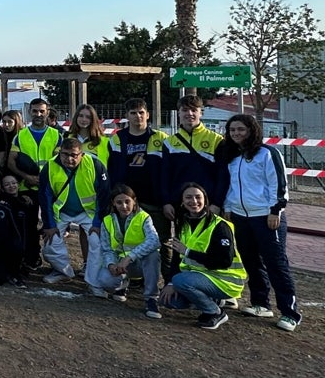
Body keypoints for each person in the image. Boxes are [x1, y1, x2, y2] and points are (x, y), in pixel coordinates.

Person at [218, 113, 302, 331]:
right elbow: (232, 185)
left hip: (266, 217)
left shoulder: (267, 153)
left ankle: (290, 312)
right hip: (240, 217)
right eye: (233, 130)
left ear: (251, 130)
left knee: (276, 263)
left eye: (241, 129)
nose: (236, 133)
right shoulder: (233, 156)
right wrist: (228, 207)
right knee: (251, 261)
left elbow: (279, 184)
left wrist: (276, 210)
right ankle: (260, 303)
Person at [159, 182, 247, 330]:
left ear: (205, 200)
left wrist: (188, 252)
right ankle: (212, 300)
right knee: (168, 300)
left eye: (198, 197)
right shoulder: (183, 224)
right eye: (188, 197)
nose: (194, 202)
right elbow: (176, 258)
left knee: (181, 281)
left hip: (226, 280)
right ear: (182, 201)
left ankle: (215, 312)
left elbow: (224, 261)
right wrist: (170, 284)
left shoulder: (220, 225)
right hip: (201, 277)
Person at [39, 138, 110, 294]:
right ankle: (63, 272)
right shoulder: (49, 166)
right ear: (60, 152)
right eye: (65, 154)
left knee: (97, 242)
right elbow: (45, 197)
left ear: (81, 154)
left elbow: (104, 196)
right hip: (62, 212)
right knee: (50, 243)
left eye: (74, 155)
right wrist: (49, 225)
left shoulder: (95, 165)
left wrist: (97, 223)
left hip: (88, 212)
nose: (69, 159)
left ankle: (93, 281)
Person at [107, 98, 168, 252]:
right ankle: (132, 275)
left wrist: (166, 198)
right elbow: (112, 169)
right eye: (133, 113)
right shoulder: (117, 139)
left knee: (162, 243)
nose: (138, 116)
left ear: (148, 115)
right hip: (127, 202)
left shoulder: (161, 138)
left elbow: (168, 171)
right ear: (127, 115)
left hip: (154, 200)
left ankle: (166, 276)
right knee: (127, 243)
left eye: (141, 112)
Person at [93, 185, 162, 318]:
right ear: (113, 203)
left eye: (127, 202)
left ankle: (151, 299)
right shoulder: (107, 221)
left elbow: (154, 241)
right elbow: (107, 249)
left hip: (141, 264)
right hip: (121, 265)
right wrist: (111, 265)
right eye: (119, 202)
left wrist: (130, 257)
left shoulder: (144, 217)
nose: (124, 206)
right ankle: (122, 285)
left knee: (153, 255)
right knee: (105, 281)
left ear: (134, 201)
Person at [161, 95, 223, 219]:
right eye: (184, 110)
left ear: (201, 113)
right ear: (178, 113)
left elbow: (223, 175)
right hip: (179, 204)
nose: (189, 113)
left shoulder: (216, 140)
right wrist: (166, 202)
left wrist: (217, 203)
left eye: (194, 110)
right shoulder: (169, 142)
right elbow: (164, 175)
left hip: (208, 204)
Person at [7, 98, 61, 189]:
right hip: (27, 187)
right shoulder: (20, 136)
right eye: (35, 111)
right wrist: (26, 177)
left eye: (42, 111)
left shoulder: (57, 135)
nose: (38, 114)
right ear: (29, 112)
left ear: (47, 113)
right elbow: (10, 162)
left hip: (49, 185)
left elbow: (60, 161)